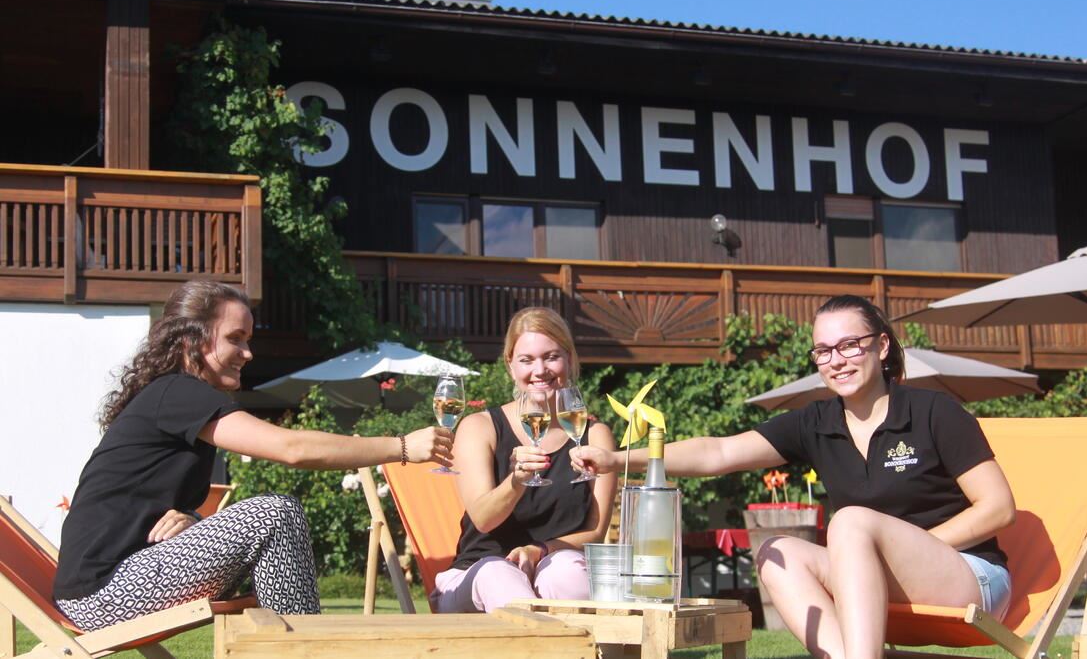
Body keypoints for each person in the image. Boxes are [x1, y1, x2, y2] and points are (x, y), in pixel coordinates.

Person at [572, 294, 1016, 659]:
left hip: (970, 575)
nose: (835, 360)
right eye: (823, 351)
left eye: (849, 345)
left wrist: (914, 550)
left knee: (850, 521)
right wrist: (616, 459)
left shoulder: (934, 413)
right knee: (776, 550)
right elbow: (719, 451)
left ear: (881, 347)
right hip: (877, 574)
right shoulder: (816, 422)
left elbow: (998, 508)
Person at [53, 280, 454, 631]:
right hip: (104, 592)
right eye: (235, 338)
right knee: (274, 514)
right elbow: (291, 449)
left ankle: (295, 645)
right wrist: (401, 447)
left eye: (248, 340)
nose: (248, 353)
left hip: (125, 578)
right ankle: (304, 650)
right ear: (193, 340)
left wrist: (190, 521)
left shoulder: (175, 399)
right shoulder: (177, 392)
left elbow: (139, 506)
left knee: (270, 524)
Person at [433, 307, 618, 613]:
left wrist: (539, 550)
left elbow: (595, 532)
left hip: (549, 565)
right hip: (478, 573)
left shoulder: (595, 436)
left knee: (568, 572)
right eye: (527, 360)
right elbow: (483, 518)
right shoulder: (480, 428)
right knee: (500, 575)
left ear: (570, 359)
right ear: (510, 366)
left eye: (551, 356)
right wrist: (517, 481)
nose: (540, 370)